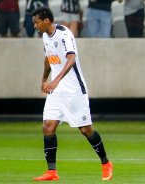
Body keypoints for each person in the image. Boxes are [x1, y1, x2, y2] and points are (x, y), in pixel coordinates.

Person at [32, 7, 113, 181]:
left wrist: (56, 80)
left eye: (36, 22)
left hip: (74, 91)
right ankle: (52, 172)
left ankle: (106, 163)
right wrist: (44, 79)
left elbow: (71, 58)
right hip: (56, 92)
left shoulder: (64, 34)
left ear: (46, 20)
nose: (35, 26)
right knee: (48, 126)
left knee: (85, 129)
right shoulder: (45, 36)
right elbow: (48, 58)